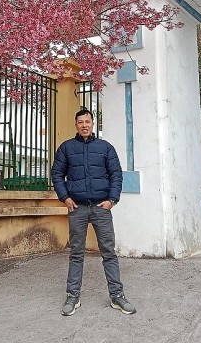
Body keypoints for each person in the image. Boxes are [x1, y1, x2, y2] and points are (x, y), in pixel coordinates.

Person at [51, 109, 136, 316]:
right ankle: (73, 296)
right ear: (76, 125)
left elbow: (116, 174)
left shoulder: (105, 148)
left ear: (92, 123)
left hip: (101, 208)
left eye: (87, 121)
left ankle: (117, 296)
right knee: (76, 254)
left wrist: (112, 200)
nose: (84, 125)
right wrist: (65, 198)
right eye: (80, 122)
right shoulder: (66, 148)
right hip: (77, 208)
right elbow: (57, 173)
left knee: (109, 253)